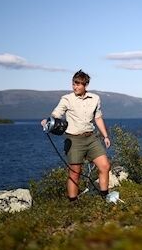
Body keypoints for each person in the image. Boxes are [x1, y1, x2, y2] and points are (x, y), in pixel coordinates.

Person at [41, 70, 111, 202]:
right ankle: (73, 203)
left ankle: (104, 198)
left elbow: (98, 118)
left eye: (79, 84)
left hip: (91, 138)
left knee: (105, 166)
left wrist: (105, 136)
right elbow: (56, 114)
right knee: (75, 172)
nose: (75, 87)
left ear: (86, 85)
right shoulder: (67, 99)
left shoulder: (95, 99)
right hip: (73, 140)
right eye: (74, 83)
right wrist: (47, 121)